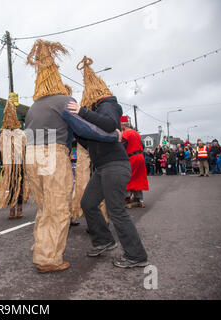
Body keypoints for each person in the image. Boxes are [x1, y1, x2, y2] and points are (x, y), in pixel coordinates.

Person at [25, 44, 121, 273]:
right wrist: (112, 136)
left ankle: (41, 248)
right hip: (53, 155)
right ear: (57, 77)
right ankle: (48, 259)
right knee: (57, 209)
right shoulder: (63, 100)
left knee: (45, 208)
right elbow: (84, 129)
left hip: (30, 156)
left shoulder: (33, 107)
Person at [67, 56, 148, 269]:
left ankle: (136, 255)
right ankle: (104, 240)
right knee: (88, 203)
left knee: (116, 210)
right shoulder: (94, 112)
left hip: (115, 165)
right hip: (103, 168)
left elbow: (111, 124)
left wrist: (82, 113)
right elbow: (88, 140)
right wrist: (75, 127)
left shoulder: (108, 104)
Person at [0, 99, 29, 219]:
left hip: (20, 166)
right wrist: (0, 165)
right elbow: (0, 151)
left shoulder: (21, 134)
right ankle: (12, 209)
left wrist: (25, 165)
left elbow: (25, 150)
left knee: (20, 187)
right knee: (11, 188)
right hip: (8, 166)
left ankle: (20, 208)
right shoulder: (3, 135)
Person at [120, 117, 149, 208]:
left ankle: (127, 199)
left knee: (127, 178)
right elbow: (143, 146)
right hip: (140, 157)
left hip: (131, 157)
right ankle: (139, 199)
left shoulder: (125, 134)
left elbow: (122, 147)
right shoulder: (136, 133)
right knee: (138, 177)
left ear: (123, 125)